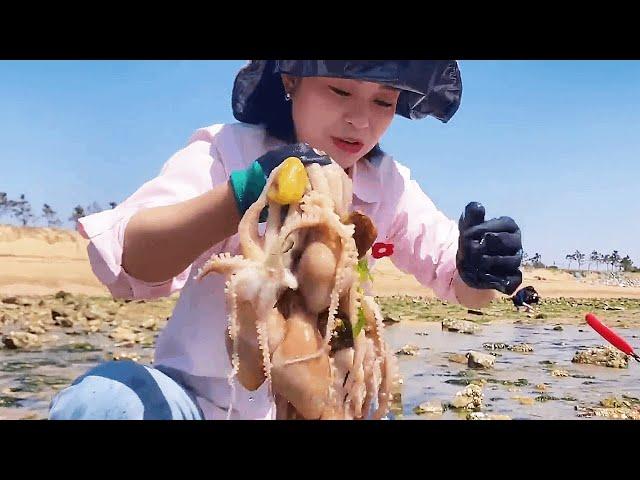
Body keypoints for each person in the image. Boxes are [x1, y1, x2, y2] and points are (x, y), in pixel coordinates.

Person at [49, 60, 523, 420]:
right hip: (195, 402)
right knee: (105, 398)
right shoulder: (226, 151)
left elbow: (463, 289)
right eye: (340, 90)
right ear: (289, 78)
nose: (360, 121)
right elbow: (129, 261)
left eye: (384, 101)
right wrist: (242, 194)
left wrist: (478, 267)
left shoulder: (388, 185)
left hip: (323, 403)